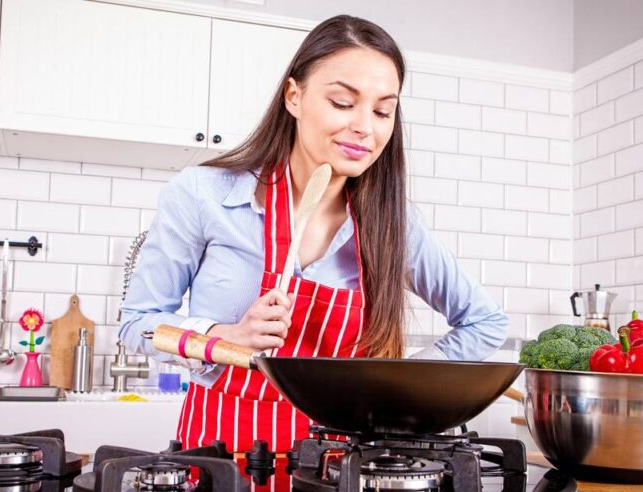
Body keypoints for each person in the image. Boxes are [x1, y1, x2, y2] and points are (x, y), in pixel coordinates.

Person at [119, 14, 508, 453]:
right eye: (343, 102)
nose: (366, 125)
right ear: (294, 96)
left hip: (342, 473)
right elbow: (137, 324)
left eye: (383, 110)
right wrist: (222, 335)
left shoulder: (394, 223)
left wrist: (399, 385)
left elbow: (485, 321)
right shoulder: (203, 194)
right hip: (220, 461)